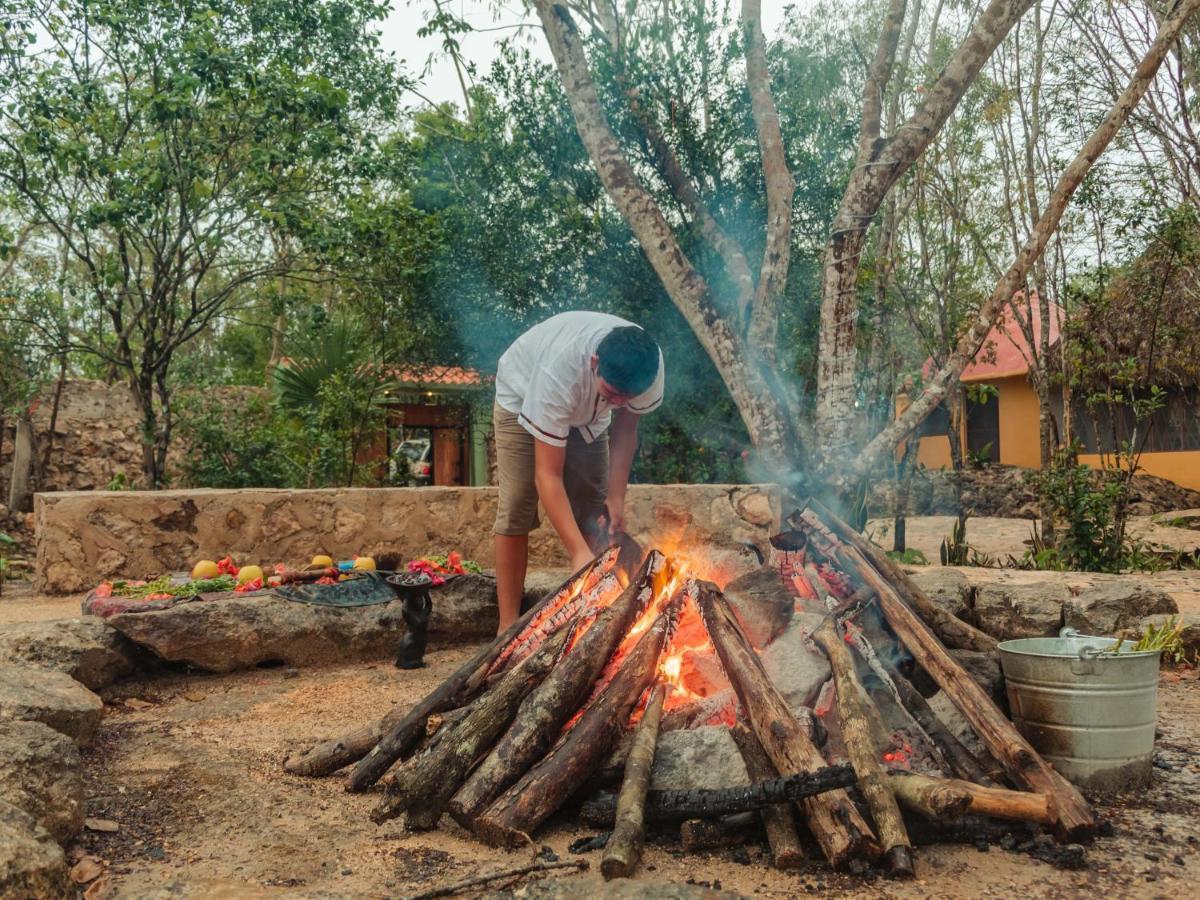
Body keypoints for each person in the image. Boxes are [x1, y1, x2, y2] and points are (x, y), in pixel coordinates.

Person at [492, 311, 664, 632]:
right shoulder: (558, 373)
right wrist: (577, 553)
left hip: (589, 417)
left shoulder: (647, 369)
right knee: (518, 504)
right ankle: (507, 627)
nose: (619, 402)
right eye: (612, 393)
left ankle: (596, 616)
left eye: (626, 398)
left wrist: (616, 498)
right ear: (594, 362)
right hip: (522, 399)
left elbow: (626, 432)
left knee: (594, 508)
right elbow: (548, 475)